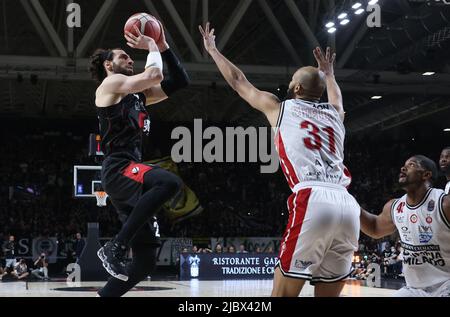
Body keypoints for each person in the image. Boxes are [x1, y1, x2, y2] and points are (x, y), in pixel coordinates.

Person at [200, 23, 359, 297]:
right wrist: (330, 75)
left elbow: (239, 82)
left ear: (295, 87)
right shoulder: (335, 115)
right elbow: (338, 100)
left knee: (282, 294)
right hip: (347, 204)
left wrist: (213, 50)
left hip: (313, 196)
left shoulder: (280, 107)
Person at [88, 20, 189, 297]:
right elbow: (154, 75)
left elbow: (181, 80)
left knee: (144, 262)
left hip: (130, 171)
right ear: (108, 65)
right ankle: (116, 245)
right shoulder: (112, 84)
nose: (130, 59)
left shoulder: (138, 98)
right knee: (168, 183)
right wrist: (153, 45)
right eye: (123, 56)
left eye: (131, 56)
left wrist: (165, 46)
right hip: (119, 167)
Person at [360, 155, 450, 297]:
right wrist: (351, 205)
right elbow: (374, 228)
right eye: (404, 165)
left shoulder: (444, 204)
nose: (403, 168)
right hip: (415, 289)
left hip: (446, 285)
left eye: (412, 165)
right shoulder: (395, 207)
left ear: (426, 175)